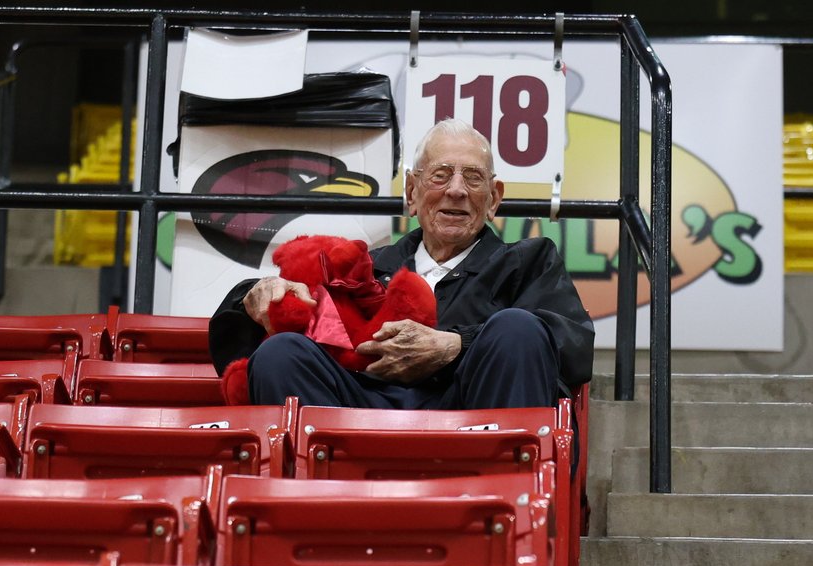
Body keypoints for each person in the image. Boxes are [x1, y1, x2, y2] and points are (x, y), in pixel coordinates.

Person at [208, 118, 594, 409]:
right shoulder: (366, 267)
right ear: (412, 192)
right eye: (440, 176)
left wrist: (459, 346)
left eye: (473, 178)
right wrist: (252, 296)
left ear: (494, 198)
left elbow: (572, 348)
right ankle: (323, 503)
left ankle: (501, 499)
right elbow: (247, 339)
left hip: (470, 414)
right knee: (282, 353)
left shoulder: (528, 261)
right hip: (363, 413)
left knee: (518, 328)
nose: (456, 190)